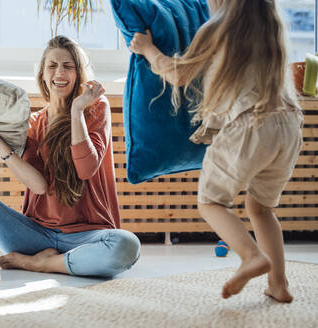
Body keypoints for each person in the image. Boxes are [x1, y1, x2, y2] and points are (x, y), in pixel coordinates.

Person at [0, 35, 141, 287]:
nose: (59, 72)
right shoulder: (33, 123)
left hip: (87, 235)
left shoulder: (95, 108)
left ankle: (42, 263)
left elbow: (86, 169)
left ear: (78, 73)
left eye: (68, 66)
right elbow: (38, 186)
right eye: (52, 65)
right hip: (34, 235)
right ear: (42, 74)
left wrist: (76, 111)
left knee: (127, 245)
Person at [129, 0, 302, 302]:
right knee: (261, 208)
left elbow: (178, 74)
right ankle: (279, 284)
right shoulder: (272, 29)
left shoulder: (216, 28)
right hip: (289, 126)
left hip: (248, 125)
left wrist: (147, 49)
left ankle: (250, 256)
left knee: (211, 202)